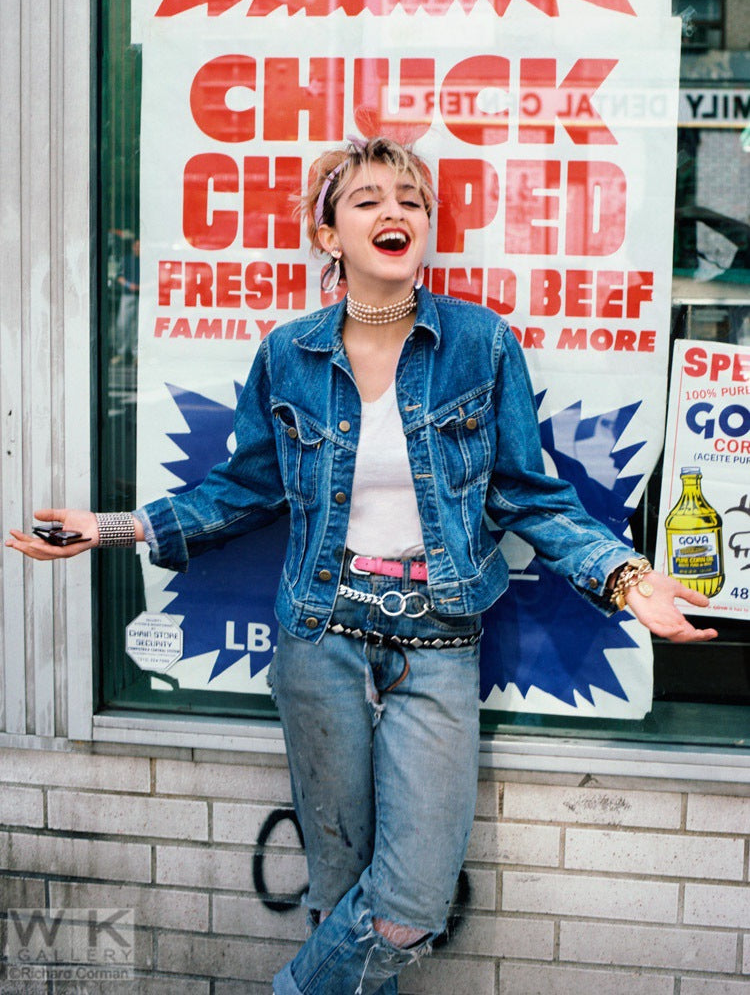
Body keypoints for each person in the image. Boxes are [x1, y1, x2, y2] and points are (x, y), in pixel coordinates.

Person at [6, 137, 717, 995]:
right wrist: (113, 527)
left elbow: (531, 497)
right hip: (321, 641)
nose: (395, 213)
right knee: (337, 890)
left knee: (408, 904)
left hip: (438, 642)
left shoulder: (480, 346)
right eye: (370, 199)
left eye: (412, 200)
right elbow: (242, 490)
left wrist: (626, 577)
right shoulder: (290, 354)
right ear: (330, 233)